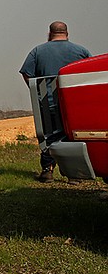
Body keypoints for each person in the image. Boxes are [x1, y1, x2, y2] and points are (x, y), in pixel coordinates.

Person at [19, 21, 92, 182]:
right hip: (74, 106)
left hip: (48, 104)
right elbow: (90, 74)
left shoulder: (38, 51)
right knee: (73, 137)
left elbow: (26, 72)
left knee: (48, 135)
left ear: (49, 33)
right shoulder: (81, 51)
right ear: (67, 33)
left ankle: (47, 170)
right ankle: (74, 174)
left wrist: (37, 90)